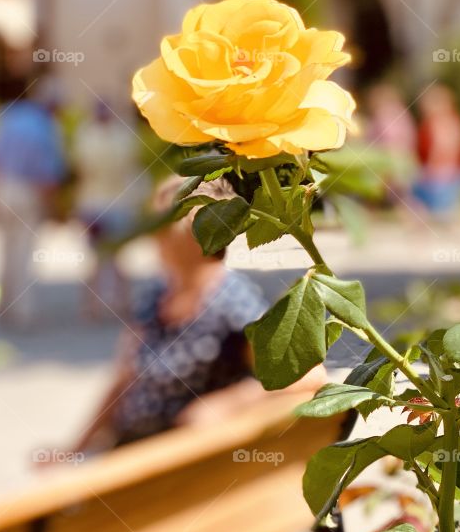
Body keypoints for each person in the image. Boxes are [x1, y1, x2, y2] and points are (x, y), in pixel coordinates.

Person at [71, 178, 318, 453]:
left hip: (179, 460)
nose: (154, 235)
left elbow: (306, 378)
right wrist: (74, 449)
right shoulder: (155, 293)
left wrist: (229, 403)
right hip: (127, 449)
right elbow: (123, 380)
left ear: (199, 230)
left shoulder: (231, 299)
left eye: (162, 224)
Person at [0, 77, 68, 327]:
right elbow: (49, 174)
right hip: (27, 191)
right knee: (24, 251)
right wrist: (56, 208)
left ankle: (1, 305)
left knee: (5, 248)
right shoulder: (47, 126)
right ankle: (22, 311)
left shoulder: (5, 115)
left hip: (0, 187)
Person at [73, 99, 148, 319]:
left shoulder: (86, 135)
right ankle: (116, 304)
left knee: (100, 259)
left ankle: (94, 306)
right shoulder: (122, 136)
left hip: (96, 203)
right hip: (114, 204)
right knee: (114, 258)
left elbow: (81, 169)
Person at [412, 84, 460, 216]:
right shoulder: (438, 121)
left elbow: (443, 148)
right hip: (441, 171)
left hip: (441, 172)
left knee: (439, 208)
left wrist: (430, 168)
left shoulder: (443, 122)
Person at [363, 83, 417, 204]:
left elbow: (385, 140)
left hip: (388, 162)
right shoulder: (403, 113)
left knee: (382, 193)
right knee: (401, 197)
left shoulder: (383, 114)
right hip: (404, 161)